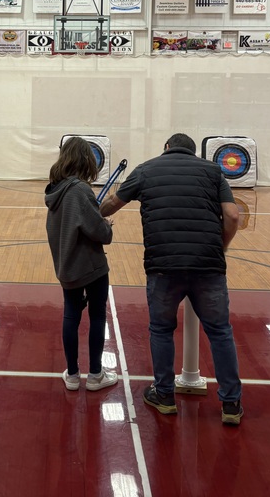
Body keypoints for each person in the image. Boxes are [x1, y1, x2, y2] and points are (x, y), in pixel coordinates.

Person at [100, 133, 243, 424]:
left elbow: (112, 204)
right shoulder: (213, 171)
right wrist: (221, 247)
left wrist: (90, 212)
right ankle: (231, 404)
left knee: (162, 329)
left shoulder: (146, 169)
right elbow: (232, 215)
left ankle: (164, 395)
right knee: (220, 332)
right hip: (207, 265)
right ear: (193, 152)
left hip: (163, 266)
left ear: (166, 148)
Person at [44, 137, 117, 392]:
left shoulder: (55, 190)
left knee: (70, 316)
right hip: (91, 268)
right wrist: (106, 226)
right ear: (85, 159)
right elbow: (100, 233)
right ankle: (95, 375)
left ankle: (73, 375)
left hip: (67, 267)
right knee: (97, 316)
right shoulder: (80, 190)